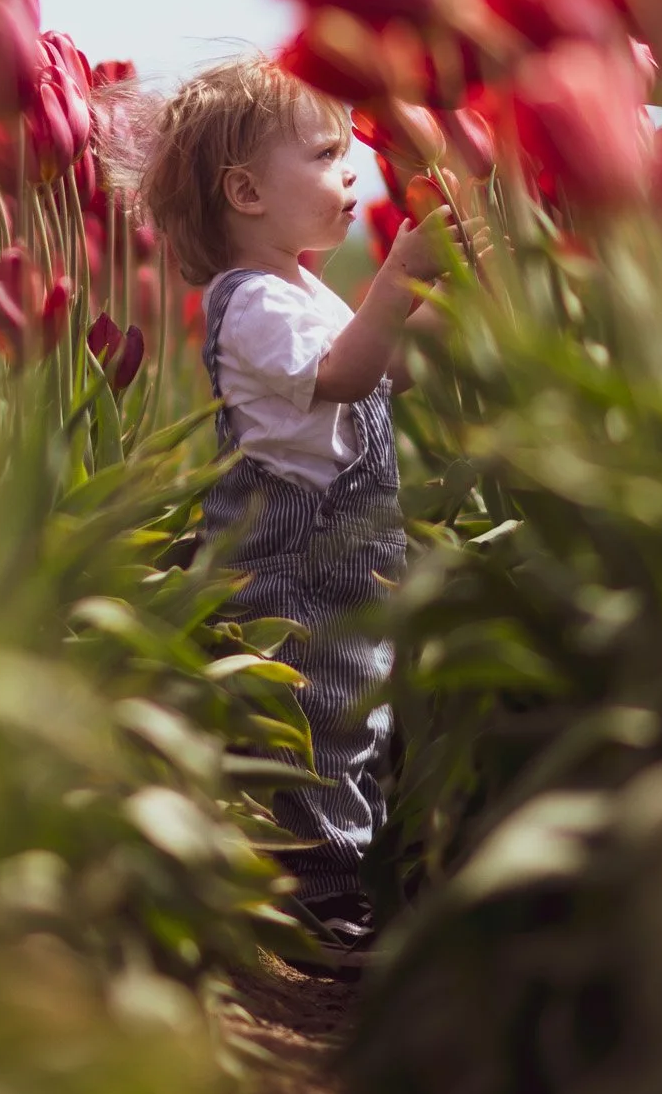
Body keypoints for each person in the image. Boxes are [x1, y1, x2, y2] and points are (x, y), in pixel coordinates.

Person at [139, 54, 465, 967]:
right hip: (294, 571)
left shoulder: (301, 289)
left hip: (348, 560)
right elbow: (345, 374)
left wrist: (447, 296)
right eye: (326, 154)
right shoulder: (247, 304)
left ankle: (344, 882)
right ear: (244, 191)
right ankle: (317, 903)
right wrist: (401, 267)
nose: (353, 166)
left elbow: (389, 368)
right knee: (319, 729)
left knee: (355, 722)